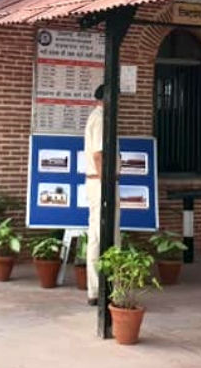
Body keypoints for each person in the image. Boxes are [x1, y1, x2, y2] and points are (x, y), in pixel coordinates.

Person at [83, 83, 119, 307]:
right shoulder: (100, 119)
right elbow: (99, 155)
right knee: (101, 234)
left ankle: (99, 288)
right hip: (101, 183)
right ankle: (100, 288)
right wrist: (108, 184)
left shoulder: (99, 117)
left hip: (99, 182)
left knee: (99, 234)